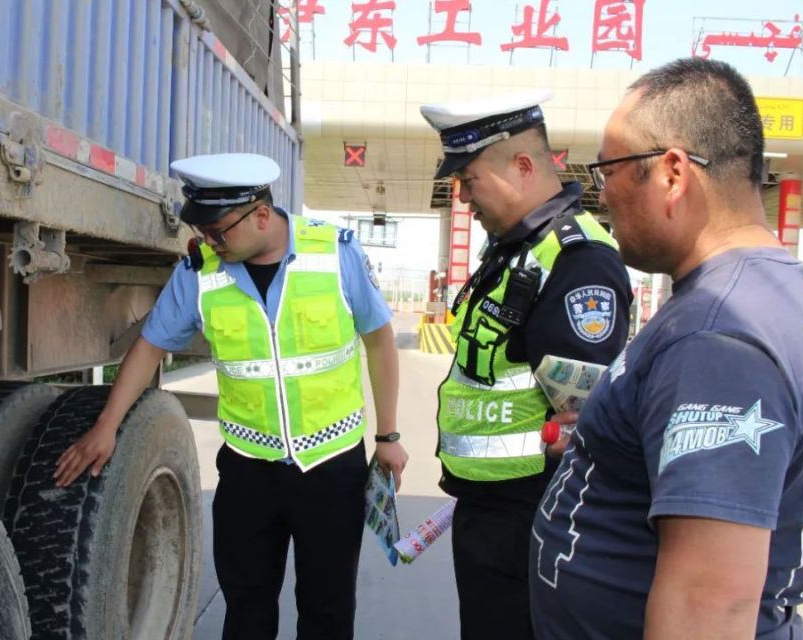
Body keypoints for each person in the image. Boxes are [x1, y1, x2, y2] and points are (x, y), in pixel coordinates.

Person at [53, 152, 408, 640]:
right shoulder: (199, 273)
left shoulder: (334, 253)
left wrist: (388, 435)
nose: (208, 242)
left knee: (327, 611)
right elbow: (150, 345)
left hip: (331, 465)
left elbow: (379, 340)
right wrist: (107, 425)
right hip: (248, 472)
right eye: (202, 231)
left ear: (260, 215)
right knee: (247, 609)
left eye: (218, 232)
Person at [530, 57, 803, 639]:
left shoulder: (717, 337)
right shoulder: (764, 289)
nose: (601, 195)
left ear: (671, 173)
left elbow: (706, 606)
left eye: (608, 170)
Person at [419, 92, 632, 639]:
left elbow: (583, 424)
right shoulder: (514, 249)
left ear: (522, 166)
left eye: (469, 180)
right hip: (492, 510)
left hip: (531, 519)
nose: (463, 197)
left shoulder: (577, 261)